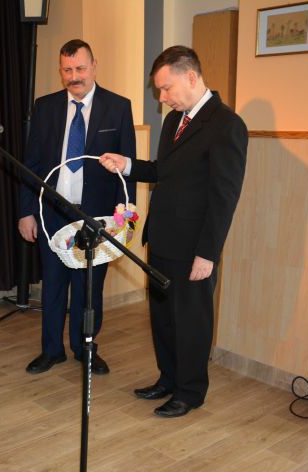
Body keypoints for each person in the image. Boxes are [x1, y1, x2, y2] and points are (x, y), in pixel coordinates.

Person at [99, 45, 248, 418]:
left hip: (194, 247)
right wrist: (127, 164)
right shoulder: (173, 122)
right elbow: (162, 171)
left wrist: (207, 253)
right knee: (163, 319)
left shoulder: (227, 125)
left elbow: (224, 197)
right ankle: (168, 379)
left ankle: (190, 391)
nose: (162, 98)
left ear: (191, 77)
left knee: (191, 323)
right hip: (162, 239)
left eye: (166, 89)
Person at [18, 39, 136, 376]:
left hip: (96, 216)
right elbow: (31, 164)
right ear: (61, 71)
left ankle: (86, 349)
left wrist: (125, 216)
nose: (74, 76)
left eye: (80, 68)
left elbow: (127, 167)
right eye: (67, 70)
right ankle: (51, 350)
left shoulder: (118, 107)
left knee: (89, 289)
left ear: (94, 66)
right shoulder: (45, 107)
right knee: (53, 285)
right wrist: (26, 211)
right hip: (53, 213)